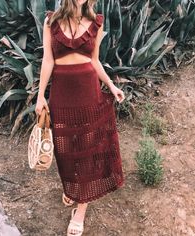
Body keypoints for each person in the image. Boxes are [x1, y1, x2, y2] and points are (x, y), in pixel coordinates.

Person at [35, 0, 125, 235]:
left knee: (87, 149)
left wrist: (111, 86)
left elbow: (94, 61)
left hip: (88, 92)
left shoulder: (96, 23)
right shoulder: (51, 21)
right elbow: (48, 60)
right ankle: (72, 188)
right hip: (61, 94)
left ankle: (80, 210)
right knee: (65, 150)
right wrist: (40, 95)